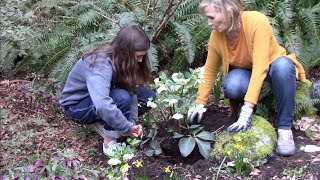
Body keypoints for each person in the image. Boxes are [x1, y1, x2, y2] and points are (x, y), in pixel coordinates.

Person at [187, 0, 307, 156]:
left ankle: (284, 128)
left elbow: (260, 66)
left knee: (283, 67)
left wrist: (247, 109)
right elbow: (210, 70)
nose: (209, 23)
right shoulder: (217, 36)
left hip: (272, 68)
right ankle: (256, 109)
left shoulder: (257, 22)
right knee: (232, 85)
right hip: (247, 74)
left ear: (227, 11)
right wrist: (200, 103)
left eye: (211, 17)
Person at [59, 24, 156, 156]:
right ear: (125, 52)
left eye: (143, 56)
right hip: (77, 106)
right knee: (121, 97)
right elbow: (103, 104)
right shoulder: (101, 64)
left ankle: (111, 123)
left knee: (149, 97)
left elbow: (132, 90)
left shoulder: (122, 60)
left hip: (104, 96)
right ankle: (109, 142)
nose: (141, 60)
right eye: (138, 56)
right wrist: (127, 128)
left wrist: (131, 123)